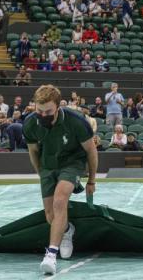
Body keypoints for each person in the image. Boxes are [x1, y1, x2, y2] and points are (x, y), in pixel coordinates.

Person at [24, 84, 98, 275]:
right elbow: (33, 151)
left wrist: (91, 181)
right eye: (39, 111)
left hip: (72, 163)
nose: (43, 115)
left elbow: (91, 150)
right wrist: (41, 173)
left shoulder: (76, 122)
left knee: (60, 200)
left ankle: (50, 255)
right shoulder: (31, 123)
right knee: (51, 216)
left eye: (48, 111)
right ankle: (66, 231)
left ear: (58, 106)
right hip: (48, 166)